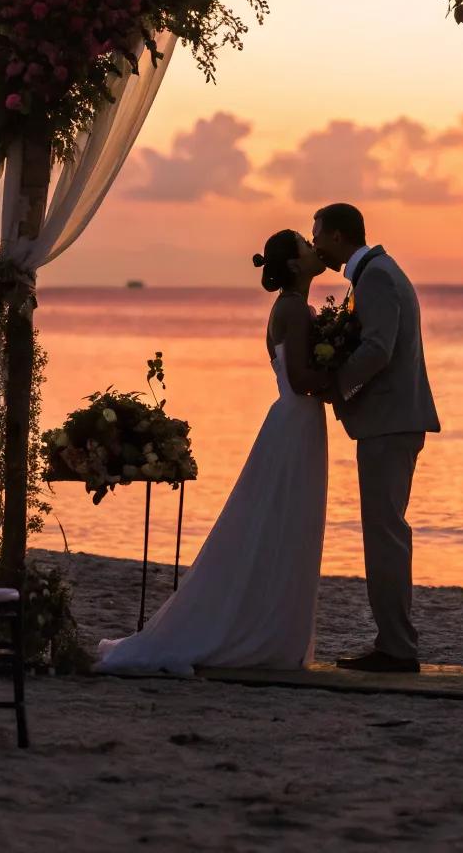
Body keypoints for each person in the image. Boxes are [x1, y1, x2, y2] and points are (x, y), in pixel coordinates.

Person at [96, 231, 329, 676]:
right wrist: (339, 376)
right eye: (304, 243)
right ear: (296, 265)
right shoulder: (294, 308)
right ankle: (267, 632)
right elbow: (300, 379)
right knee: (285, 523)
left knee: (279, 524)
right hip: (296, 422)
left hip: (293, 422)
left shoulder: (287, 306)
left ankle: (273, 628)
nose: (312, 247)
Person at [312, 203, 440, 674]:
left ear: (340, 236)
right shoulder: (372, 274)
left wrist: (335, 383)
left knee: (385, 536)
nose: (314, 244)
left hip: (391, 422)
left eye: (318, 234)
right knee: (383, 533)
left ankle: (397, 647)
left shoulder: (377, 277)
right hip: (389, 422)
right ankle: (393, 641)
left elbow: (378, 349)